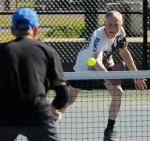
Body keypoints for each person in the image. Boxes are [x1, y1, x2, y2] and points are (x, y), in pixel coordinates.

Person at [0, 8, 79, 141]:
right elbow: (63, 96)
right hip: (38, 115)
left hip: (4, 116)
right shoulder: (48, 51)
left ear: (12, 30)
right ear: (35, 30)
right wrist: (53, 111)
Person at [73, 11, 147, 141]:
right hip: (85, 66)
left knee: (118, 93)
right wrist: (108, 77)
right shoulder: (98, 36)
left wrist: (137, 75)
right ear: (104, 24)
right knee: (69, 99)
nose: (112, 28)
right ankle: (48, 119)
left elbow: (124, 52)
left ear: (121, 24)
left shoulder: (121, 32)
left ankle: (109, 132)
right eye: (109, 24)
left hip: (106, 62)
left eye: (116, 25)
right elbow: (96, 61)